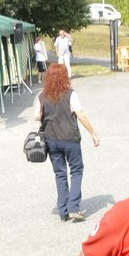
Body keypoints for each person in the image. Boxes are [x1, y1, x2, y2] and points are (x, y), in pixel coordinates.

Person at [33, 63, 99, 224]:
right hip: (70, 139)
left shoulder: (42, 96)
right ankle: (74, 207)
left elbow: (36, 116)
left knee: (60, 174)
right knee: (76, 170)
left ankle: (63, 210)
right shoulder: (70, 94)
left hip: (51, 140)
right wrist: (93, 133)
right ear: (64, 77)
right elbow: (81, 115)